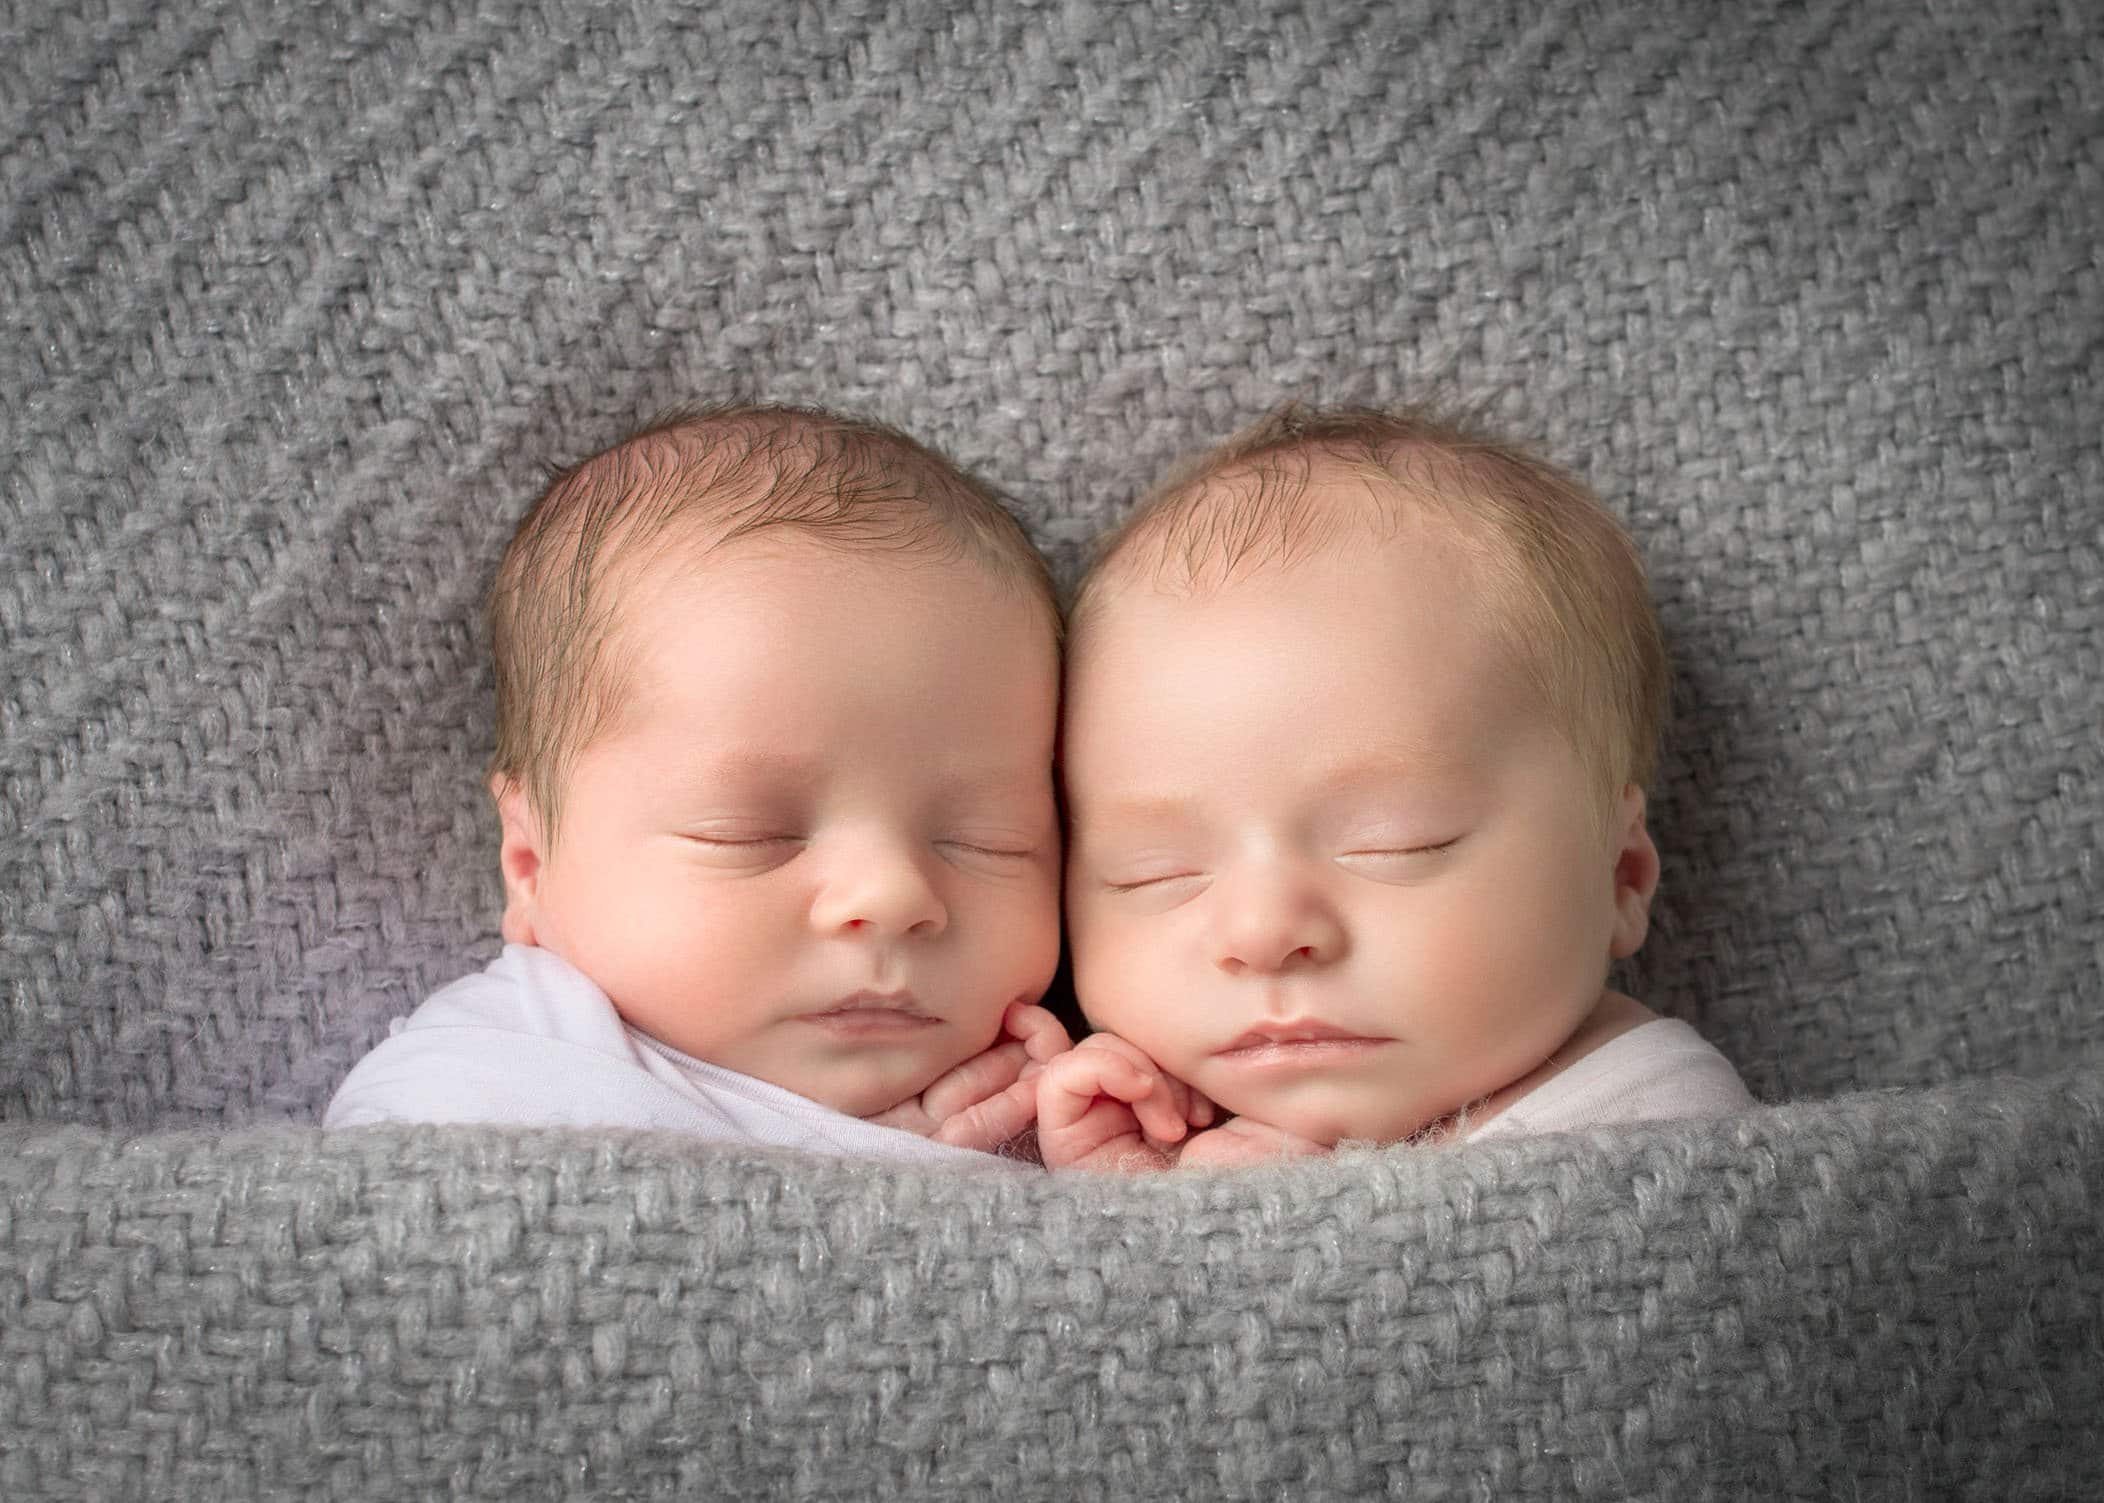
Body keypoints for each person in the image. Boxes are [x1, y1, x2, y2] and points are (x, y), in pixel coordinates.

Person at [327, 404, 1071, 1164]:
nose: (890, 894)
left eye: (990, 839)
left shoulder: (1048, 1099)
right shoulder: (504, 1062)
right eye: (748, 832)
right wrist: (864, 1161)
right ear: (530, 865)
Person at [1038, 403, 1753, 1171]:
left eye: (1395, 841)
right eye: (1153, 872)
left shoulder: (1654, 1127)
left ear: (1620, 875)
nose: (1262, 931)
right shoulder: (1153, 1132)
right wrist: (1138, 1209)